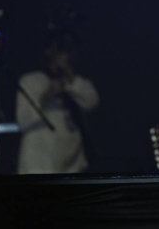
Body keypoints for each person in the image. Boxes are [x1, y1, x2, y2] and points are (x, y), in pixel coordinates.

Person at [16, 29, 99, 174]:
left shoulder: (78, 83)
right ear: (48, 51)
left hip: (72, 166)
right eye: (60, 47)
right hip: (38, 165)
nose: (64, 53)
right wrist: (48, 96)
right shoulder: (30, 81)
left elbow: (92, 102)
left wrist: (69, 77)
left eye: (69, 48)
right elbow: (23, 120)